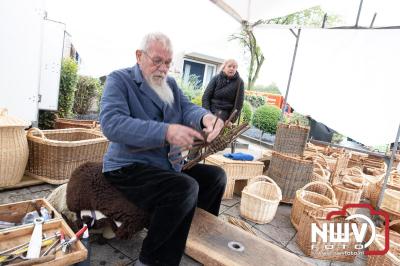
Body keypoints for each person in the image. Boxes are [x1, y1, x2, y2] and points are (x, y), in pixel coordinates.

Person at [99, 32, 227, 266]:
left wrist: (206, 119)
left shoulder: (170, 84)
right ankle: (152, 261)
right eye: (157, 60)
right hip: (128, 167)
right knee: (184, 187)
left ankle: (194, 240)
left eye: (168, 62)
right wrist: (166, 131)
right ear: (139, 56)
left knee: (216, 177)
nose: (163, 68)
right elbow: (111, 124)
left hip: (165, 166)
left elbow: (187, 108)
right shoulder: (119, 80)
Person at [202, 59, 244, 123]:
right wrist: (207, 112)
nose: (232, 69)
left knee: (215, 123)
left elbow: (239, 104)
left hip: (225, 113)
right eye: (229, 66)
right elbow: (206, 97)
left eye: (234, 67)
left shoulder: (239, 82)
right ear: (224, 67)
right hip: (210, 109)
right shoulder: (216, 78)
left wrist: (231, 120)